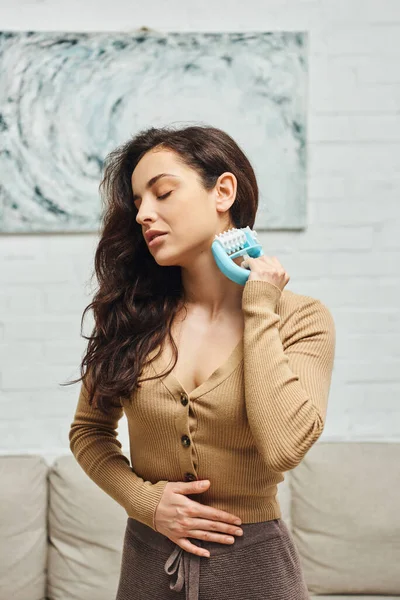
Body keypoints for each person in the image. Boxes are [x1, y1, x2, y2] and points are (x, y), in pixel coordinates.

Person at [68, 124, 336, 599]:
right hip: (148, 569)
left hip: (256, 574)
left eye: (163, 193)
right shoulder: (129, 318)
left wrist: (258, 306)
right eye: (137, 204)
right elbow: (88, 432)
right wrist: (146, 502)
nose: (144, 215)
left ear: (224, 191)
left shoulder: (302, 319)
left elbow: (284, 448)